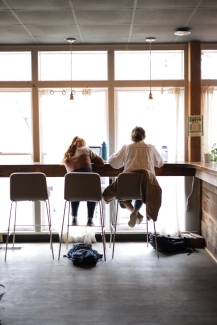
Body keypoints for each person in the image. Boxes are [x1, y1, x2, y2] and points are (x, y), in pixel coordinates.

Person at [103, 126, 164, 227]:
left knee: (119, 191)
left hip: (127, 187)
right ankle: (135, 212)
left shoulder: (126, 147)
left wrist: (115, 155)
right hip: (145, 188)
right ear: (144, 136)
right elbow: (160, 163)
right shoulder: (151, 148)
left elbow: (114, 163)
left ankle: (135, 213)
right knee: (142, 186)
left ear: (132, 136)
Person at [61, 136, 105, 226]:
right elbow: (101, 162)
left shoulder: (66, 155)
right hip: (89, 190)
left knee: (75, 186)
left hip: (73, 193)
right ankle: (90, 219)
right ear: (83, 144)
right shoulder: (86, 149)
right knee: (93, 190)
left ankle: (74, 218)